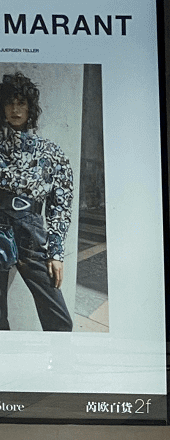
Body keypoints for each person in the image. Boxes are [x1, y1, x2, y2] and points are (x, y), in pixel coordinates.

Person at [0, 71, 73, 332]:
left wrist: (55, 253)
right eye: (10, 103)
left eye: (21, 103)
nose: (15, 109)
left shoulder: (50, 152)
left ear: (30, 108)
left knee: (60, 321)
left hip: (31, 231)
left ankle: (61, 369)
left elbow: (60, 205)